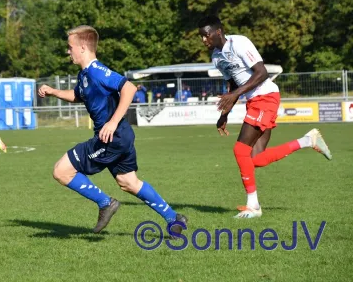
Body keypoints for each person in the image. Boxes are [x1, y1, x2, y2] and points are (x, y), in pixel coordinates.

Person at [38, 26, 187, 234]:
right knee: (128, 182)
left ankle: (105, 203)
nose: (67, 51)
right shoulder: (84, 75)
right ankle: (174, 219)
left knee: (61, 171)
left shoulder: (98, 71)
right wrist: (54, 91)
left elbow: (129, 88)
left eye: (69, 47)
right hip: (120, 136)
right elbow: (78, 95)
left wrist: (113, 121)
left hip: (112, 137)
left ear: (82, 47)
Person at [198, 16, 331, 219]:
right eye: (201, 37)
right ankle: (307, 140)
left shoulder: (239, 43)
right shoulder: (217, 57)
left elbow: (261, 73)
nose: (203, 40)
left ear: (218, 32)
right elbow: (233, 85)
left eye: (206, 35)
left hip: (265, 97)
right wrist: (224, 114)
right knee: (255, 159)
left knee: (240, 150)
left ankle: (254, 206)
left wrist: (234, 95)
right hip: (255, 101)